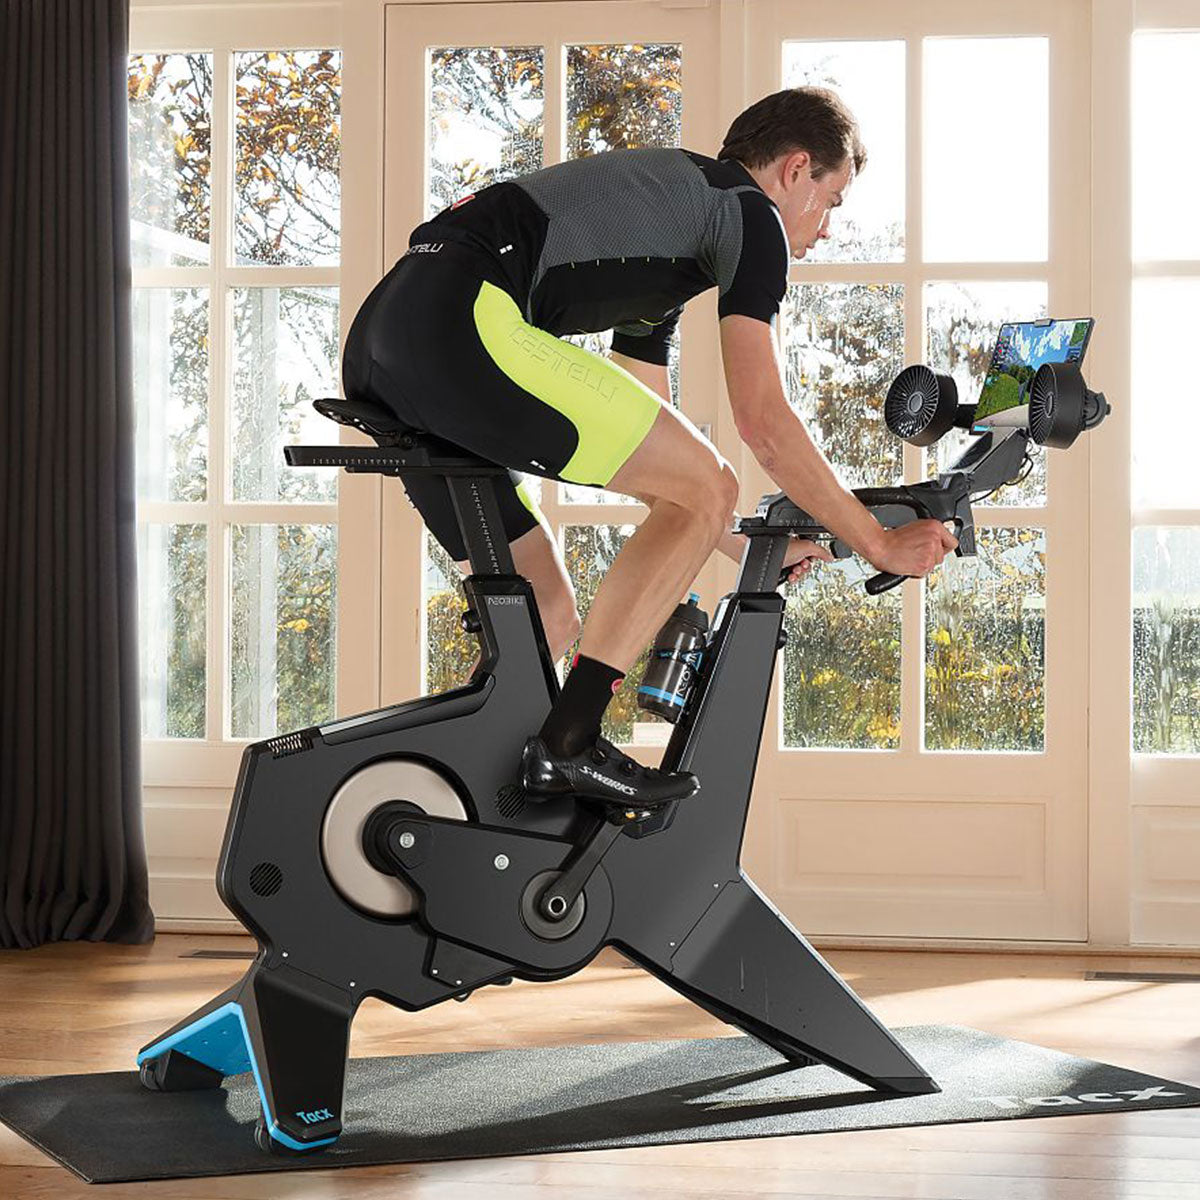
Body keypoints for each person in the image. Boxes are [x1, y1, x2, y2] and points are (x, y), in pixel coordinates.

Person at [342, 86, 957, 815]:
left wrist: (732, 542)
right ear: (796, 170)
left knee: (546, 614)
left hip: (385, 337)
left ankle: (445, 800)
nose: (825, 229)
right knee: (709, 484)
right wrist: (878, 541)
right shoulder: (749, 215)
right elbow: (762, 421)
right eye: (832, 202)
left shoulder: (673, 212)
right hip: (462, 319)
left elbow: (655, 443)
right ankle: (567, 742)